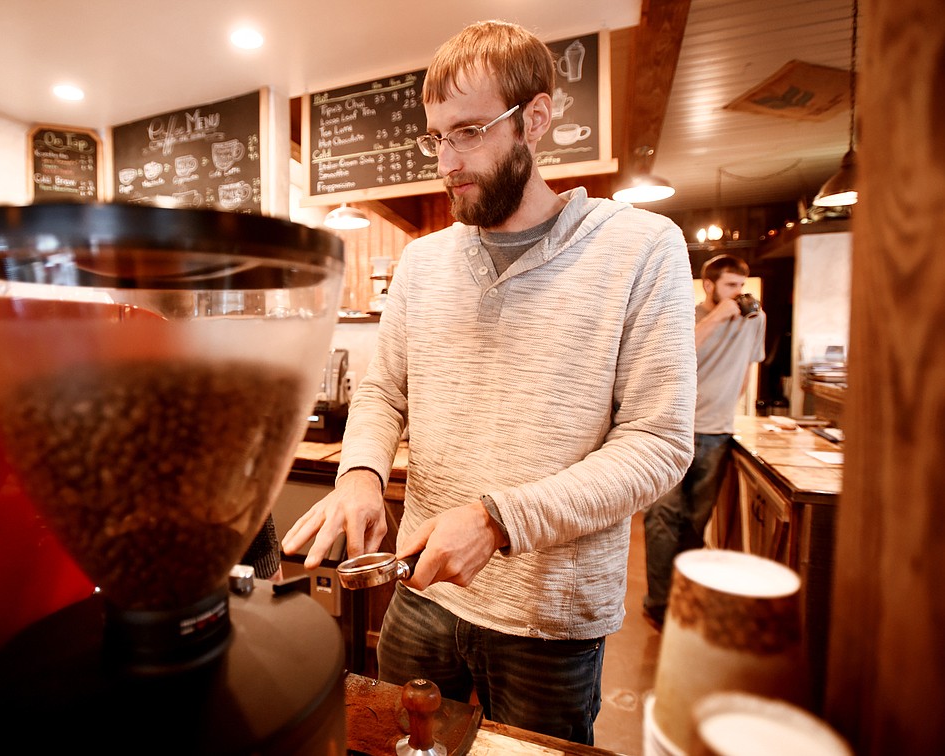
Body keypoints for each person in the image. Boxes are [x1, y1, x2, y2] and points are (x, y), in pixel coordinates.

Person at [281, 20, 696, 745]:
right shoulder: (423, 261)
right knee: (401, 744)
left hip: (549, 618)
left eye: (469, 131)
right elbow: (383, 391)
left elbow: (658, 443)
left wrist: (501, 518)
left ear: (535, 118)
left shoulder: (641, 248)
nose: (447, 160)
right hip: (419, 589)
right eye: (436, 136)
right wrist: (361, 474)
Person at [642, 254, 767, 629]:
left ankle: (686, 597)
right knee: (662, 516)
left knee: (696, 521)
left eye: (741, 286)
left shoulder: (755, 320)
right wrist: (718, 316)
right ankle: (660, 604)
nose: (738, 294)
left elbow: (747, 370)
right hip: (673, 430)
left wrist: (727, 407)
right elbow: (675, 356)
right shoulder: (688, 316)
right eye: (730, 286)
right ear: (709, 286)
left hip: (717, 431)